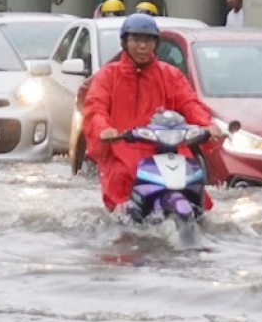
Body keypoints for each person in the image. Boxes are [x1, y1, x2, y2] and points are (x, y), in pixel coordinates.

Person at [81, 13, 224, 212]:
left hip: (169, 149)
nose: (142, 46)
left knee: (195, 181)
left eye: (148, 40)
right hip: (124, 149)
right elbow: (95, 108)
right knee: (121, 179)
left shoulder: (170, 74)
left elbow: (190, 103)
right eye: (136, 40)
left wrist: (207, 125)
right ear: (125, 42)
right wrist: (104, 129)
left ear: (156, 43)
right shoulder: (108, 76)